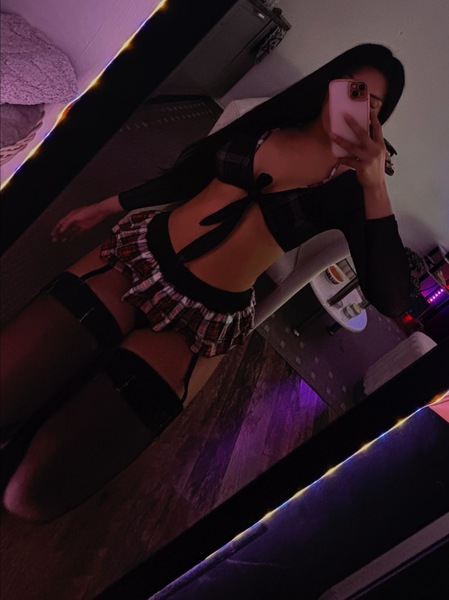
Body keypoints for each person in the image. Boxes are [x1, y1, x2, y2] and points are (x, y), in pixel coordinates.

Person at [0, 43, 411, 521]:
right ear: (330, 83)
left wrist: (374, 185)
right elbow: (188, 176)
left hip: (198, 323)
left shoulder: (352, 188)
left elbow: (393, 299)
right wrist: (107, 206)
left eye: (372, 103)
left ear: (379, 120)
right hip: (134, 261)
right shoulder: (269, 122)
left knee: (28, 496)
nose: (357, 105)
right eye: (352, 89)